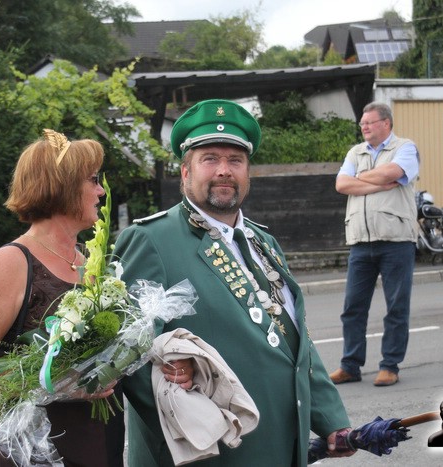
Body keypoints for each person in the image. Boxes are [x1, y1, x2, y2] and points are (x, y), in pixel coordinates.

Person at [114, 99, 354, 466]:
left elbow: (295, 344)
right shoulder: (151, 240)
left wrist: (332, 422)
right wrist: (199, 431)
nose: (224, 171)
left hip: (278, 446)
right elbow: (128, 358)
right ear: (185, 172)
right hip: (206, 451)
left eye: (236, 160)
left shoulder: (264, 242)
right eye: (210, 159)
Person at [0, 129, 124, 467]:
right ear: (63, 185)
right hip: (29, 447)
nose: (101, 190)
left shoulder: (90, 260)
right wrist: (61, 383)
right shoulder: (10, 262)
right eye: (92, 180)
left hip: (93, 439)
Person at [329, 101, 419, 387]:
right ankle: (350, 365)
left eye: (369, 122)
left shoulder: (405, 148)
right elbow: (341, 185)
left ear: (386, 123)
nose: (364, 127)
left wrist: (361, 179)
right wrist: (378, 184)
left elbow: (392, 172)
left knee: (396, 307)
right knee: (353, 308)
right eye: (362, 123)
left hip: (396, 240)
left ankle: (390, 365)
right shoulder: (355, 152)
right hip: (360, 241)